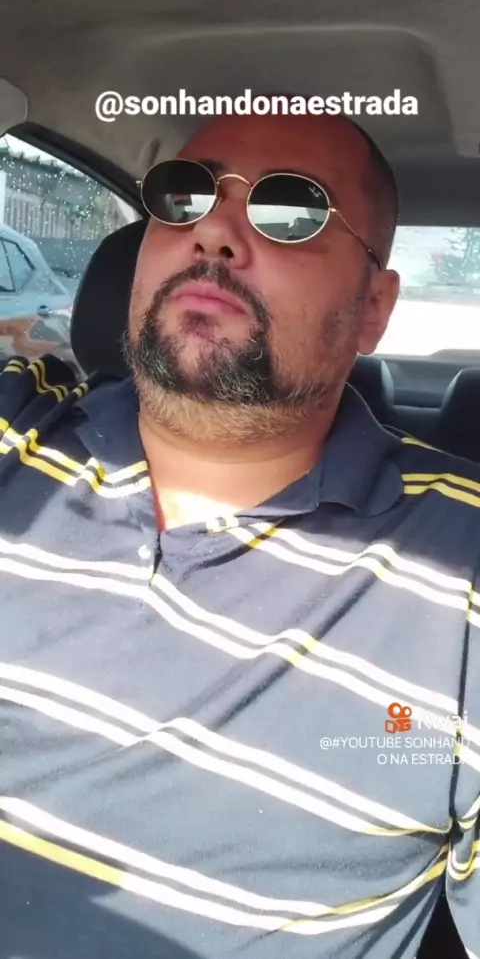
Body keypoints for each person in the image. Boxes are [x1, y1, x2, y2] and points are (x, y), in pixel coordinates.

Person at [0, 111, 479, 959]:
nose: (213, 231)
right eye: (181, 196)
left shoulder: (459, 572)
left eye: (293, 209)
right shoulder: (16, 435)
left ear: (373, 308)